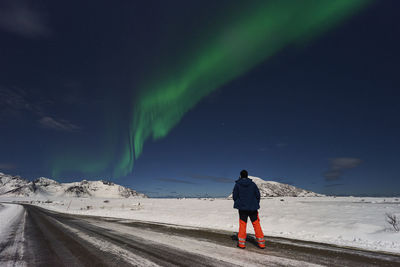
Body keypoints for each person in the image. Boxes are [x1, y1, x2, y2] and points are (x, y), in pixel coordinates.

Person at [232, 170, 265, 249]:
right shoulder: (253, 184)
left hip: (242, 209)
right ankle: (261, 244)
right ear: (247, 176)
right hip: (253, 208)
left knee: (243, 225)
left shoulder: (237, 185)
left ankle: (241, 244)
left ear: (240, 176)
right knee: (256, 224)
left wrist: (239, 202)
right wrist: (255, 203)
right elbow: (258, 195)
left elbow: (235, 196)